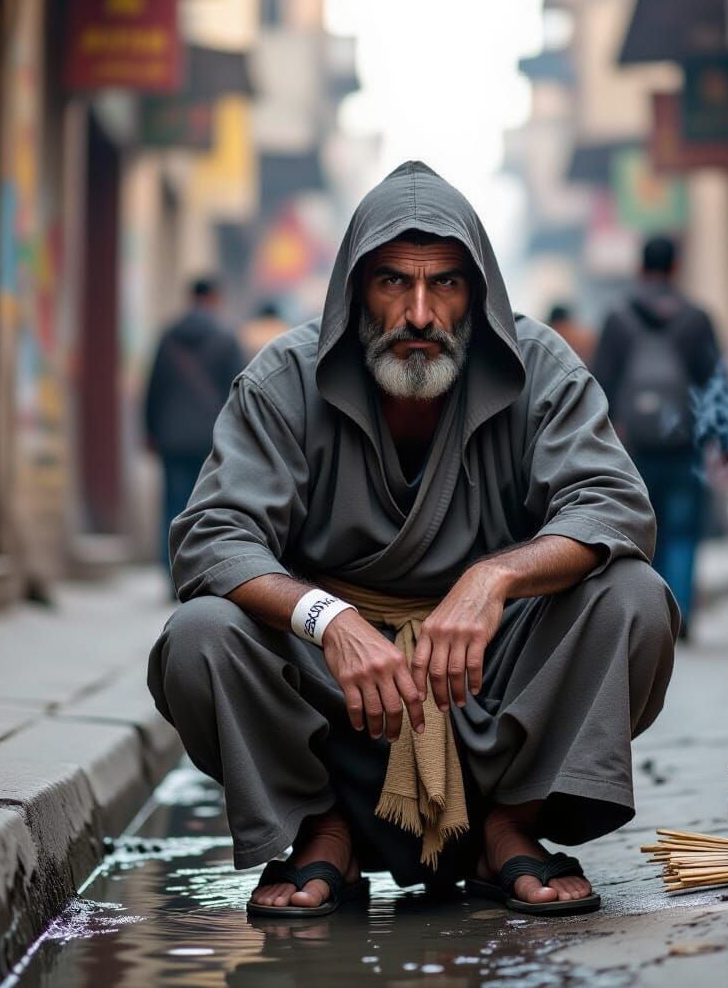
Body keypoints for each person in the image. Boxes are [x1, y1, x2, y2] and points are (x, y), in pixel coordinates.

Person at [148, 162, 677, 920]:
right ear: (353, 290)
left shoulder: (540, 368)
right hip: (339, 703)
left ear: (479, 290)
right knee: (199, 635)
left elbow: (614, 505)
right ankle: (320, 830)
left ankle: (511, 824)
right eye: (393, 283)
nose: (421, 314)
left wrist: (491, 581)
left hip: (491, 688)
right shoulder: (283, 381)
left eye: (448, 285)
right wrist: (328, 621)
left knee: (634, 596)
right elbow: (211, 538)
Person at [590, 235, 728, 639]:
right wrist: (727, 441)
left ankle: (654, 617)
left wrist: (603, 442)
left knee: (643, 532)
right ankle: (681, 609)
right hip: (684, 446)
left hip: (636, 448)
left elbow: (599, 386)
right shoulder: (695, 319)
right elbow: (716, 385)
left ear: (640, 268)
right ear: (675, 268)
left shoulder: (618, 319)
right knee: (684, 532)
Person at [144, 277, 244, 585]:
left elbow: (154, 389)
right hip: (212, 438)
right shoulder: (226, 339)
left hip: (171, 436)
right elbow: (238, 392)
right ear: (214, 298)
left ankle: (170, 572)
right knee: (204, 508)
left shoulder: (169, 337)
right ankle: (196, 573)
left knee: (173, 506)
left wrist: (150, 430)